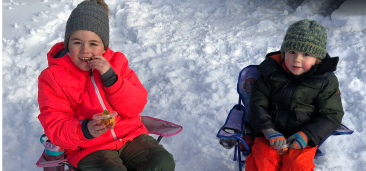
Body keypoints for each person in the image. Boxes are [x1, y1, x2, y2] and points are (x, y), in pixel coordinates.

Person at [37, 0, 175, 170]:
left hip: (130, 136)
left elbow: (136, 106)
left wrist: (112, 78)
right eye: (77, 42)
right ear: (67, 43)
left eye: (93, 44)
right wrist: (84, 130)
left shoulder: (118, 64)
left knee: (162, 162)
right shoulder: (52, 77)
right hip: (88, 148)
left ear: (104, 47)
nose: (84, 50)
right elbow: (55, 123)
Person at [246, 19, 344, 171]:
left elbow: (331, 114)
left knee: (298, 166)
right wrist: (267, 130)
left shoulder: (325, 81)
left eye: (306, 54)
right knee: (262, 163)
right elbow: (257, 103)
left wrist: (307, 135)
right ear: (284, 52)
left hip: (303, 139)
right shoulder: (270, 71)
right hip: (269, 135)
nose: (297, 59)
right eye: (292, 52)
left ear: (317, 59)